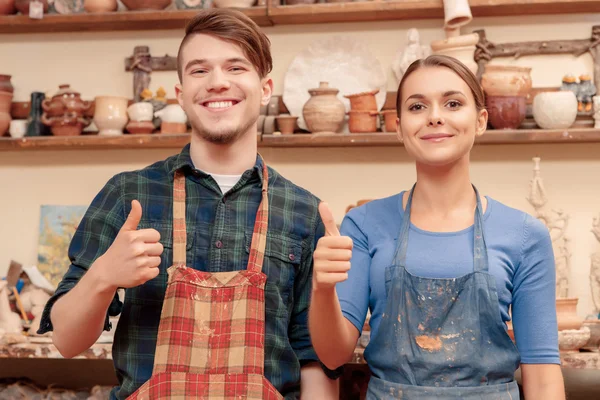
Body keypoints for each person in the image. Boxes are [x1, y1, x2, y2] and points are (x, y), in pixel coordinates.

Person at [38, 9, 339, 400]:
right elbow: (66, 340)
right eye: (199, 70)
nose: (217, 83)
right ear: (180, 95)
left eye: (235, 67)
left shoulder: (305, 211)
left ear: (265, 89)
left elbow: (315, 358)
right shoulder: (129, 194)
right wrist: (103, 275)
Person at [309, 55, 565, 399]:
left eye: (453, 103)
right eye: (417, 107)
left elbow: (543, 377)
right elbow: (333, 354)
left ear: (481, 120)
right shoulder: (364, 224)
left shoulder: (524, 235)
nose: (435, 117)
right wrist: (322, 290)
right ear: (398, 126)